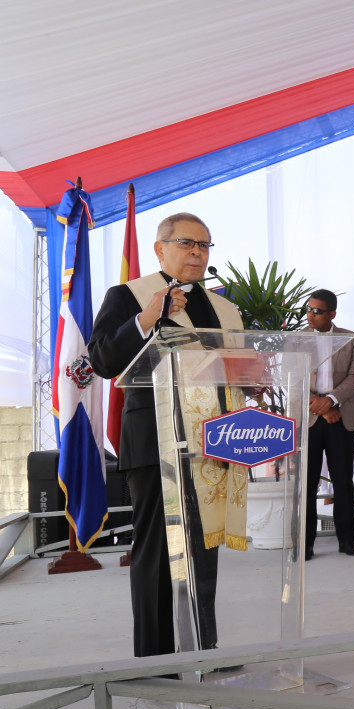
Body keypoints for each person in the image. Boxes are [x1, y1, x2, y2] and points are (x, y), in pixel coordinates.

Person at [87, 212, 244, 657]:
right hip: (155, 443)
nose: (197, 252)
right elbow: (101, 359)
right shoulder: (129, 296)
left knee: (204, 551)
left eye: (204, 245)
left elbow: (237, 371)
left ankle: (203, 650)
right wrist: (146, 318)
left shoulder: (223, 307)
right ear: (160, 249)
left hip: (213, 441)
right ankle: (154, 661)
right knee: (158, 553)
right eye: (186, 243)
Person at [304, 289, 354, 559]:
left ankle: (348, 541)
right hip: (310, 416)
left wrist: (331, 401)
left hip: (342, 415)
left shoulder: (351, 338)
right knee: (307, 483)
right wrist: (321, 409)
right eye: (308, 309)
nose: (310, 315)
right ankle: (305, 544)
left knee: (342, 481)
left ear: (332, 313)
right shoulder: (297, 339)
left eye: (317, 311)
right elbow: (291, 378)